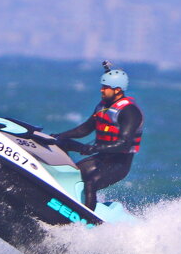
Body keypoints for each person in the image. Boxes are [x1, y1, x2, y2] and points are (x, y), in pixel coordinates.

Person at [52, 62, 143, 210]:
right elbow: (84, 129)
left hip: (119, 163)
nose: (102, 90)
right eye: (102, 86)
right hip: (101, 157)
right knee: (74, 172)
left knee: (91, 181)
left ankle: (86, 222)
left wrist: (94, 148)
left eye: (106, 88)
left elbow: (124, 143)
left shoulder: (130, 112)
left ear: (118, 90)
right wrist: (59, 136)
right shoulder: (102, 107)